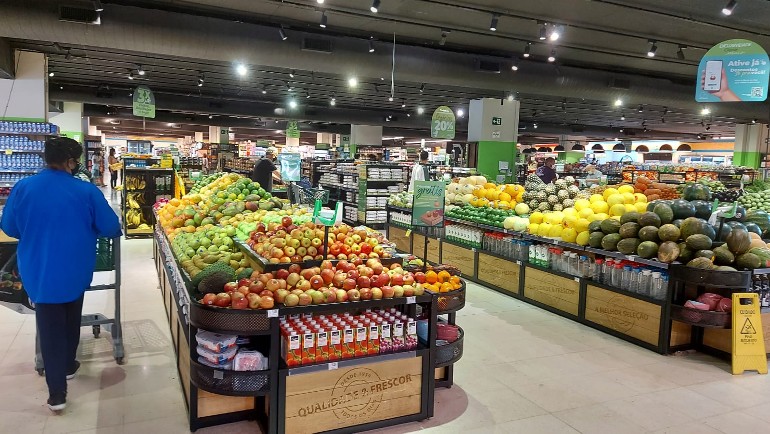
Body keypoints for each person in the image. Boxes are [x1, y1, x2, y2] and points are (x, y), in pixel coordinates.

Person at [0, 137, 121, 412]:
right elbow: (111, 227)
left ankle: (59, 388)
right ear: (70, 161)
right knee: (70, 313)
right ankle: (64, 373)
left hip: (38, 269)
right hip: (75, 266)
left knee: (49, 323)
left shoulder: (23, 188)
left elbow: (9, 226)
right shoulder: (85, 191)